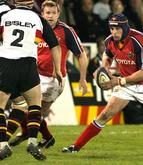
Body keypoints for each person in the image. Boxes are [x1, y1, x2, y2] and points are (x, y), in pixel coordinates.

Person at [62, 13, 143, 153]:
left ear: (125, 27)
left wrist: (117, 81)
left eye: (117, 29)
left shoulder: (141, 41)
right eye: (111, 29)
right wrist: (103, 68)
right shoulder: (109, 41)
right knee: (104, 115)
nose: (114, 32)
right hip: (127, 84)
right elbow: (108, 54)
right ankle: (75, 147)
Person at [7, 0, 88, 149]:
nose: (50, 16)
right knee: (27, 109)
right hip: (34, 75)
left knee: (31, 110)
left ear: (58, 14)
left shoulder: (66, 31)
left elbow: (81, 55)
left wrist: (83, 79)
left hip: (54, 80)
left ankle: (16, 137)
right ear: (42, 14)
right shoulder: (36, 25)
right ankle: (43, 136)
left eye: (53, 13)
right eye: (47, 13)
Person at [0, 0, 62, 160]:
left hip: (6, 64)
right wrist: (58, 69)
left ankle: (2, 146)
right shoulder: (37, 19)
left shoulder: (6, 16)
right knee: (34, 105)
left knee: (0, 107)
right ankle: (33, 142)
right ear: (31, 3)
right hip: (28, 65)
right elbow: (54, 45)